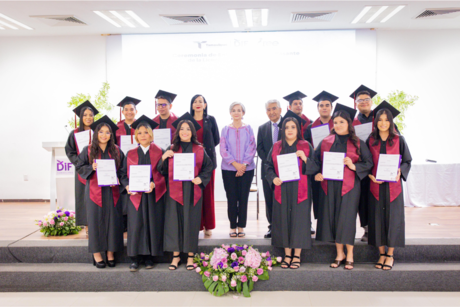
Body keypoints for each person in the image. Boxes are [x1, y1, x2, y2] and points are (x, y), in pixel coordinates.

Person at [314, 104, 373, 270]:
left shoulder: (358, 143)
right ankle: (339, 253)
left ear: (349, 124)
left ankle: (351, 254)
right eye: (336, 122)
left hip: (350, 186)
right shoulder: (326, 141)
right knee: (333, 218)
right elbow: (316, 161)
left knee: (346, 219)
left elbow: (368, 163)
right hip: (330, 185)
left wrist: (354, 166)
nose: (338, 125)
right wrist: (318, 173)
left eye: (341, 122)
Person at [158, 114, 213, 271]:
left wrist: (201, 179)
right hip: (174, 192)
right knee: (173, 222)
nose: (185, 131)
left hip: (191, 191)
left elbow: (208, 167)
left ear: (192, 131)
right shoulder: (171, 149)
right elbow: (161, 171)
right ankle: (175, 256)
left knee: (191, 221)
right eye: (182, 129)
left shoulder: (199, 149)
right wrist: (163, 157)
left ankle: (190, 256)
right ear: (178, 131)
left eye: (188, 129)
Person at [265, 115, 319, 269]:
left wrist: (305, 159)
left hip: (300, 190)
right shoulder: (276, 146)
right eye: (286, 127)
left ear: (298, 129)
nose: (289, 130)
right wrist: (273, 178)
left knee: (299, 221)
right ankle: (287, 254)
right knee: (283, 220)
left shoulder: (306, 145)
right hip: (282, 188)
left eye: (293, 127)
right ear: (282, 129)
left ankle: (297, 255)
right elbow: (268, 166)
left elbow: (315, 167)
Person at [349, 85, 400, 242]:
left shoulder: (381, 118)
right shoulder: (352, 122)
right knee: (362, 199)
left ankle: (382, 229)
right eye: (360, 100)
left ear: (371, 101)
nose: (363, 102)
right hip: (362, 166)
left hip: (380, 166)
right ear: (355, 103)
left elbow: (396, 141)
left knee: (378, 199)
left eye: (366, 99)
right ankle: (366, 229)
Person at [366, 104, 412, 271]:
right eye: (380, 120)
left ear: (391, 122)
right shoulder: (370, 140)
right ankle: (381, 254)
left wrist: (401, 171)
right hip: (376, 186)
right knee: (377, 219)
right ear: (376, 122)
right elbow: (366, 163)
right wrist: (370, 175)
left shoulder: (399, 140)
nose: (383, 123)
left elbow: (407, 161)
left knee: (393, 219)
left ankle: (390, 254)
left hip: (393, 187)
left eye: (387, 120)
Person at [76, 115, 125, 269]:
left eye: (107, 132)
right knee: (95, 222)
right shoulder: (88, 150)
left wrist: (118, 180)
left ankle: (110, 253)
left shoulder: (116, 150)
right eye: (101, 132)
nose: (104, 135)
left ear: (111, 135)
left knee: (113, 222)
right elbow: (79, 167)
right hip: (94, 192)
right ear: (96, 133)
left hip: (112, 192)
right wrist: (92, 168)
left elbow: (123, 171)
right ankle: (97, 254)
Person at [120, 115, 167, 272]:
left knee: (151, 224)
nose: (143, 136)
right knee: (135, 225)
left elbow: (166, 173)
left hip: (153, 195)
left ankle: (149, 257)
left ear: (151, 134)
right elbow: (123, 175)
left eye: (145, 132)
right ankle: (134, 258)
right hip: (135, 196)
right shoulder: (130, 153)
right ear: (136, 136)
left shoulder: (160, 151)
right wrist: (127, 187)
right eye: (139, 133)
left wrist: (155, 183)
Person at [220, 102, 256, 238]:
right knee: (231, 197)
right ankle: (232, 226)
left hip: (247, 169)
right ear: (230, 113)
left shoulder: (248, 129)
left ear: (243, 113)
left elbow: (252, 147)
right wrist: (235, 164)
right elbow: (223, 150)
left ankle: (241, 226)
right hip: (229, 169)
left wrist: (244, 165)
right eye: (233, 110)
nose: (236, 112)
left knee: (243, 198)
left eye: (239, 110)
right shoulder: (225, 129)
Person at [303, 91, 337, 234]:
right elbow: (304, 147)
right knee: (316, 196)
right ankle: (318, 225)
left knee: (333, 196)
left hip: (334, 166)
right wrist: (313, 149)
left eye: (327, 105)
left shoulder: (338, 125)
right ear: (318, 108)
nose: (324, 108)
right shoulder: (310, 127)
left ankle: (334, 225)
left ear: (331, 107)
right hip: (316, 166)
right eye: (321, 105)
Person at [65, 100, 99, 228]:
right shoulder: (74, 133)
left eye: (91, 115)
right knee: (83, 197)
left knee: (96, 197)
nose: (88, 117)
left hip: (97, 169)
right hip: (82, 170)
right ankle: (86, 225)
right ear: (81, 117)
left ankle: (96, 224)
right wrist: (80, 164)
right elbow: (70, 151)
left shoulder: (98, 131)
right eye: (85, 115)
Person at [190, 94, 220, 236]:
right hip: (192, 163)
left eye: (200, 101)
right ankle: (196, 224)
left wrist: (204, 150)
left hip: (208, 162)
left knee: (208, 194)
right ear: (192, 105)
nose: (197, 103)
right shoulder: (187, 121)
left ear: (205, 105)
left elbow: (216, 139)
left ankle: (208, 226)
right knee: (195, 194)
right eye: (195, 101)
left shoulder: (211, 120)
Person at [257, 99, 282, 238]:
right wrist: (270, 161)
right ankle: (272, 227)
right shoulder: (262, 128)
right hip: (267, 170)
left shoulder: (288, 124)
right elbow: (259, 148)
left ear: (280, 110)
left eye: (274, 108)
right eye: (268, 109)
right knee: (270, 199)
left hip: (285, 169)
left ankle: (285, 226)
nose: (271, 112)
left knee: (285, 198)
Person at [115, 96, 141, 232]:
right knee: (123, 192)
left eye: (132, 109)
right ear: (122, 112)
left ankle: (135, 221)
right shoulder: (116, 127)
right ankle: (124, 222)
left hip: (138, 164)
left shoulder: (141, 126)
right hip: (121, 164)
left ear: (136, 111)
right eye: (126, 110)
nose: (129, 112)